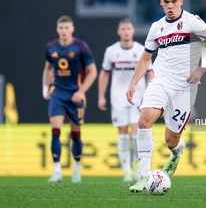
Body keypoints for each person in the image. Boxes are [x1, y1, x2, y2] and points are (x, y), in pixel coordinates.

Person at [126, 0, 206, 192]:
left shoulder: (193, 23)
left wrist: (200, 71)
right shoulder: (156, 27)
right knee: (143, 120)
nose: (170, 6)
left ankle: (176, 153)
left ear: (181, 0)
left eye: (174, 2)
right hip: (160, 81)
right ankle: (144, 177)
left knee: (171, 140)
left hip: (185, 88)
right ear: (161, 2)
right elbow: (145, 59)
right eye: (166, 2)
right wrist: (133, 83)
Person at [42, 15, 97, 183]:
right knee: (55, 131)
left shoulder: (81, 47)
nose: (64, 31)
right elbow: (48, 68)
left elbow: (92, 72)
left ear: (72, 29)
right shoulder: (51, 47)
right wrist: (45, 88)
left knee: (75, 134)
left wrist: (81, 91)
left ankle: (76, 170)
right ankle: (57, 171)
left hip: (75, 95)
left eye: (67, 28)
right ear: (57, 29)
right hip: (58, 94)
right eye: (61, 28)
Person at [98, 18, 154, 182]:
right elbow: (105, 73)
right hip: (118, 98)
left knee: (136, 133)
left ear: (133, 31)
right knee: (122, 133)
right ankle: (126, 172)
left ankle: (137, 168)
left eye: (128, 28)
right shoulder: (111, 51)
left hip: (138, 98)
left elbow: (150, 72)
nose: (126, 31)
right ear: (119, 32)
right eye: (123, 28)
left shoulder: (141, 50)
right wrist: (101, 96)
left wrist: (150, 91)